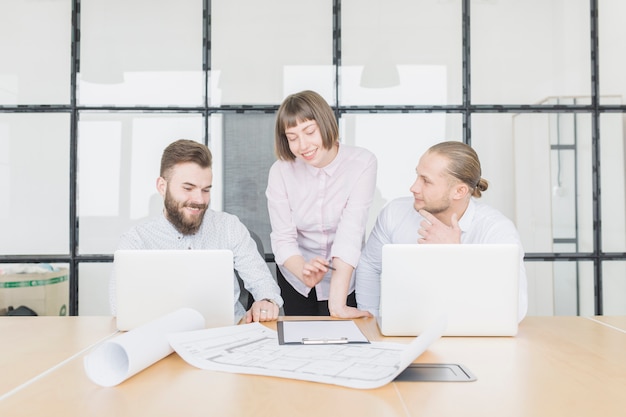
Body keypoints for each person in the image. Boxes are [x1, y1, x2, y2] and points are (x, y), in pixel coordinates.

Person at [109, 139, 283, 324]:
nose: (199, 199)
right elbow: (119, 308)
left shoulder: (229, 227)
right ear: (162, 186)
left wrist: (266, 302)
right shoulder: (136, 241)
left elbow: (263, 284)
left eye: (206, 190)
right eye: (188, 188)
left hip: (227, 336)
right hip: (162, 337)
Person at [356, 141, 528, 321]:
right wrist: (371, 320)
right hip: (410, 328)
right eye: (417, 176)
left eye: (426, 181)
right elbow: (370, 265)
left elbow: (517, 310)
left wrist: (454, 255)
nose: (413, 187)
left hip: (472, 333)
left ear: (459, 191)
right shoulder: (395, 213)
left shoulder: (496, 230)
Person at [266, 90, 377, 318]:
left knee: (342, 345)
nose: (303, 145)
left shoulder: (362, 163)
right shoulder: (280, 171)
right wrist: (302, 270)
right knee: (301, 345)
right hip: (296, 275)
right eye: (292, 137)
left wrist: (336, 305)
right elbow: (283, 237)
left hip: (344, 277)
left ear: (325, 124)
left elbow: (350, 234)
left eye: (309, 131)